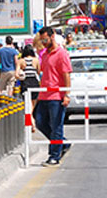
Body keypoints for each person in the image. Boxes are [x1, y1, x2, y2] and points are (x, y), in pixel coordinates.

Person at [34, 26, 72, 166]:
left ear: (52, 36)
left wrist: (67, 94)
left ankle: (54, 155)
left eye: (45, 39)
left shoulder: (61, 54)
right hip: (44, 94)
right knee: (40, 122)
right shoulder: (44, 55)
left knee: (56, 126)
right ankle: (62, 143)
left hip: (56, 95)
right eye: (41, 40)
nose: (43, 42)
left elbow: (66, 74)